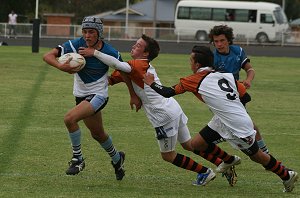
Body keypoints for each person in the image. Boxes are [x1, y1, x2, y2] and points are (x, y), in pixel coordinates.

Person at [77, 34, 238, 186]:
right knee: (189, 145)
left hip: (163, 115)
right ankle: (224, 161)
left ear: (146, 53)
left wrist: (94, 52)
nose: (134, 45)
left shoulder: (139, 64)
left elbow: (117, 64)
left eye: (138, 45)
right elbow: (111, 78)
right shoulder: (133, 67)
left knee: (168, 155)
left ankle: (205, 172)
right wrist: (81, 67)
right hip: (172, 107)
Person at [143, 45, 298, 193]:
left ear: (197, 64)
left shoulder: (193, 79)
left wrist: (151, 83)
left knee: (257, 156)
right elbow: (246, 96)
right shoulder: (226, 75)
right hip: (223, 119)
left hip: (237, 125)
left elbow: (168, 92)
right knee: (196, 144)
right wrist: (233, 109)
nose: (190, 64)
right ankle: (229, 160)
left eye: (191, 61)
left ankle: (286, 175)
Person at [43, 16, 129, 180]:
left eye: (91, 32)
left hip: (99, 96)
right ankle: (118, 159)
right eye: (84, 31)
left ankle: (78, 159)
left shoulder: (110, 51)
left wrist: (133, 95)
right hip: (81, 96)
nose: (87, 36)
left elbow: (124, 71)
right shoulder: (75, 44)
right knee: (98, 134)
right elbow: (48, 56)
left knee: (69, 119)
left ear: (99, 33)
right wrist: (62, 66)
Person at [209, 25, 269, 154]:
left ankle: (264, 153)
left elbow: (250, 70)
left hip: (237, 96)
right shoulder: (212, 58)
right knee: (246, 127)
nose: (219, 44)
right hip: (221, 99)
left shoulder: (238, 51)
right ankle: (264, 154)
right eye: (216, 41)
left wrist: (248, 80)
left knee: (245, 126)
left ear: (229, 40)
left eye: (222, 40)